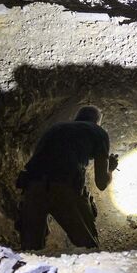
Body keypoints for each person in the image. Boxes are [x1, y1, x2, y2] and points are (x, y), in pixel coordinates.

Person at [16, 105, 119, 250]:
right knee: (90, 249)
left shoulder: (55, 128)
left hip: (32, 187)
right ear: (97, 122)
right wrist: (110, 169)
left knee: (31, 251)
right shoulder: (98, 132)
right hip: (62, 189)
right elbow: (101, 183)